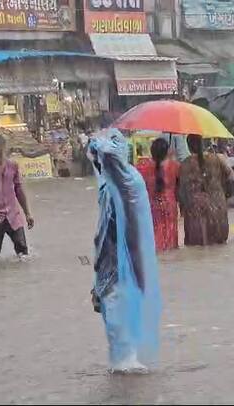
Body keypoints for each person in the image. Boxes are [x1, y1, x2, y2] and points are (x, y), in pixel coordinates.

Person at [88, 128, 161, 373]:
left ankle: (127, 383)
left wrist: (100, 143)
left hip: (125, 271)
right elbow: (102, 235)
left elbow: (108, 154)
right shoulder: (108, 186)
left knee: (124, 353)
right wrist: (96, 281)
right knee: (117, 345)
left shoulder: (129, 182)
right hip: (108, 269)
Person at [178, 134, 234, 246]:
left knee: (197, 249)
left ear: (188, 146)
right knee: (219, 247)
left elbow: (181, 190)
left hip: (195, 213)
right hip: (217, 209)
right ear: (202, 144)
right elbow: (231, 177)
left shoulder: (184, 164)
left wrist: (182, 208)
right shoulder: (217, 158)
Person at [138, 138, 180, 252]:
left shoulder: (143, 167)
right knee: (170, 240)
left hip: (152, 206)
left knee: (155, 237)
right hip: (170, 206)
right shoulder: (174, 166)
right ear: (167, 151)